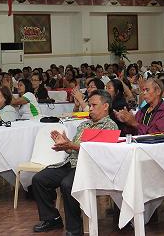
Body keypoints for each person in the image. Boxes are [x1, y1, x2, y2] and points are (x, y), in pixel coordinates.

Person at [32, 90, 118, 235]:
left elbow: (98, 152)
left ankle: (74, 229)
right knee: (39, 179)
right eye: (90, 105)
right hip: (70, 163)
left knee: (67, 184)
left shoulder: (110, 126)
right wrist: (64, 144)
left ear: (105, 106)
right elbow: (73, 149)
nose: (90, 108)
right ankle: (52, 219)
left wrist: (71, 145)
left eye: (94, 105)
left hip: (90, 167)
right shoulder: (84, 124)